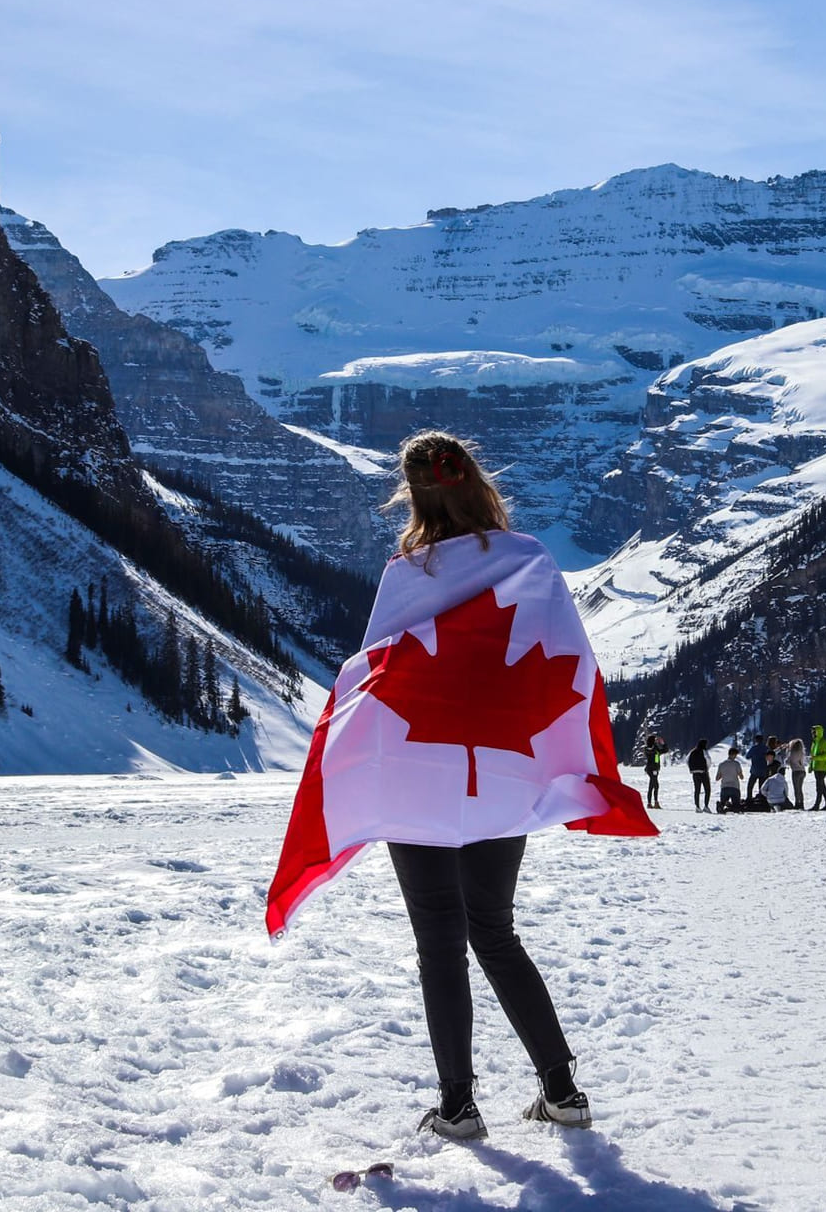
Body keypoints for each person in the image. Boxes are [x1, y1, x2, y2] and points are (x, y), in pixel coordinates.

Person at [269, 431, 658, 1142]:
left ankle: (457, 1106)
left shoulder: (407, 572)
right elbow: (569, 664)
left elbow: (382, 675)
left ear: (413, 495)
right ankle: (563, 1091)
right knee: (495, 932)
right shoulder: (531, 563)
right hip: (501, 778)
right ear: (478, 481)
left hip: (417, 778)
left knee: (439, 943)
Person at [808, 724, 826, 810]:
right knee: (822, 787)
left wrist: (816, 758)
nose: (812, 733)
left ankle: (817, 805)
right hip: (816, 768)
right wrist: (811, 766)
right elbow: (813, 755)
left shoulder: (824, 742)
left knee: (820, 787)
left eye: (814, 732)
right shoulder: (814, 743)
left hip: (822, 768)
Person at [716, 745, 745, 810]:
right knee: (736, 806)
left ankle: (721, 805)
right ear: (734, 755)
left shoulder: (721, 764)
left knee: (723, 801)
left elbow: (717, 778)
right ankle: (732, 807)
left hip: (724, 787)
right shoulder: (736, 764)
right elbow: (741, 777)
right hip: (734, 787)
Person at [688, 739, 712, 812]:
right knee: (707, 789)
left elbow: (687, 760)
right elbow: (708, 760)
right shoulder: (704, 751)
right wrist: (707, 768)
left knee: (697, 790)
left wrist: (691, 769)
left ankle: (697, 807)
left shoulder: (692, 751)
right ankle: (706, 806)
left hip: (695, 773)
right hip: (703, 772)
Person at [784, 738, 808, 811]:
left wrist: (787, 751)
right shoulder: (802, 752)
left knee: (796, 789)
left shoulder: (792, 752)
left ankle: (797, 803)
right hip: (802, 771)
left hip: (796, 771)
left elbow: (787, 761)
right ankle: (802, 803)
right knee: (800, 789)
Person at [643, 734, 664, 809]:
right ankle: (655, 803)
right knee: (655, 786)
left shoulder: (647, 749)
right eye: (655, 740)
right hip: (654, 769)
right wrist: (661, 744)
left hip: (650, 769)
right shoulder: (654, 749)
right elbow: (662, 751)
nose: (656, 741)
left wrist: (661, 744)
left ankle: (650, 803)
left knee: (652, 785)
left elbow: (663, 751)